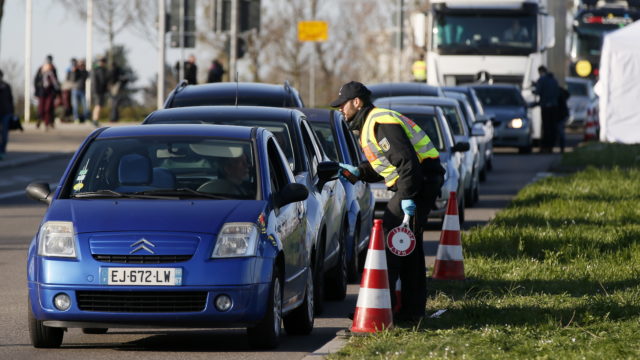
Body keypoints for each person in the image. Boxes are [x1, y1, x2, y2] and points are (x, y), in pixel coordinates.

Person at [330, 81, 445, 322]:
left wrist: (408, 198)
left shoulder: (380, 122)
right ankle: (409, 312)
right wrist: (360, 172)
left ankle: (380, 311)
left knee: (391, 244)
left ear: (357, 102)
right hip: (418, 182)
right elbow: (388, 166)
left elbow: (408, 165)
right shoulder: (370, 123)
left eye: (343, 105)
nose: (341, 109)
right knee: (408, 248)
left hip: (419, 183)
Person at [533, 66, 560, 153]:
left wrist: (534, 87)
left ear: (540, 71)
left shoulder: (541, 80)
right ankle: (551, 146)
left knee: (545, 127)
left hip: (545, 107)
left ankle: (545, 147)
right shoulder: (554, 80)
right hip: (554, 107)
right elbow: (557, 93)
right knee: (552, 127)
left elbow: (537, 92)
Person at [37, 63, 60, 130]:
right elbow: (36, 83)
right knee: (41, 109)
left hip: (50, 93)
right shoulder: (40, 74)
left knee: (47, 109)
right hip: (42, 93)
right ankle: (39, 120)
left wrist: (57, 93)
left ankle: (46, 124)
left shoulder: (52, 74)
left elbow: (55, 84)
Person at [69, 59, 90, 123]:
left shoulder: (85, 72)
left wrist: (82, 70)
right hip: (75, 90)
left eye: (82, 64)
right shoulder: (75, 71)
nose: (81, 66)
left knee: (85, 105)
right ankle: (76, 118)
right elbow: (72, 79)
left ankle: (86, 118)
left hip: (82, 90)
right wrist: (74, 71)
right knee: (75, 105)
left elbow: (86, 76)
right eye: (80, 64)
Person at [0, 69, 15, 160]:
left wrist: (12, 112)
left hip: (6, 113)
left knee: (4, 135)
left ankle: (2, 151)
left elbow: (11, 99)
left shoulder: (6, 86)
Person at [91, 57, 109, 126]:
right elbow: (103, 80)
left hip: (95, 90)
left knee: (97, 105)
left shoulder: (95, 69)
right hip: (99, 90)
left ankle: (94, 119)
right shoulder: (101, 70)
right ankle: (95, 120)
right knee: (98, 105)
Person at [556, 86, 570, 154]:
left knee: (560, 132)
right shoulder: (560, 91)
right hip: (562, 115)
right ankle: (562, 147)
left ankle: (562, 147)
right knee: (561, 131)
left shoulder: (557, 93)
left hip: (560, 115)